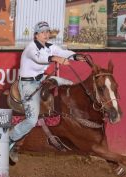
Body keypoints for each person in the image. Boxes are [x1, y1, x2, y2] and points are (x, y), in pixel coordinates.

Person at [9, 21, 85, 156]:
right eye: (42, 32)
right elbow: (40, 59)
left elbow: (63, 52)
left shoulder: (49, 47)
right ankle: (10, 138)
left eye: (47, 32)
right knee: (31, 120)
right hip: (27, 84)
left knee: (69, 84)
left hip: (41, 79)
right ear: (36, 35)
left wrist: (76, 56)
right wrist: (56, 58)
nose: (46, 34)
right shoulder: (31, 48)